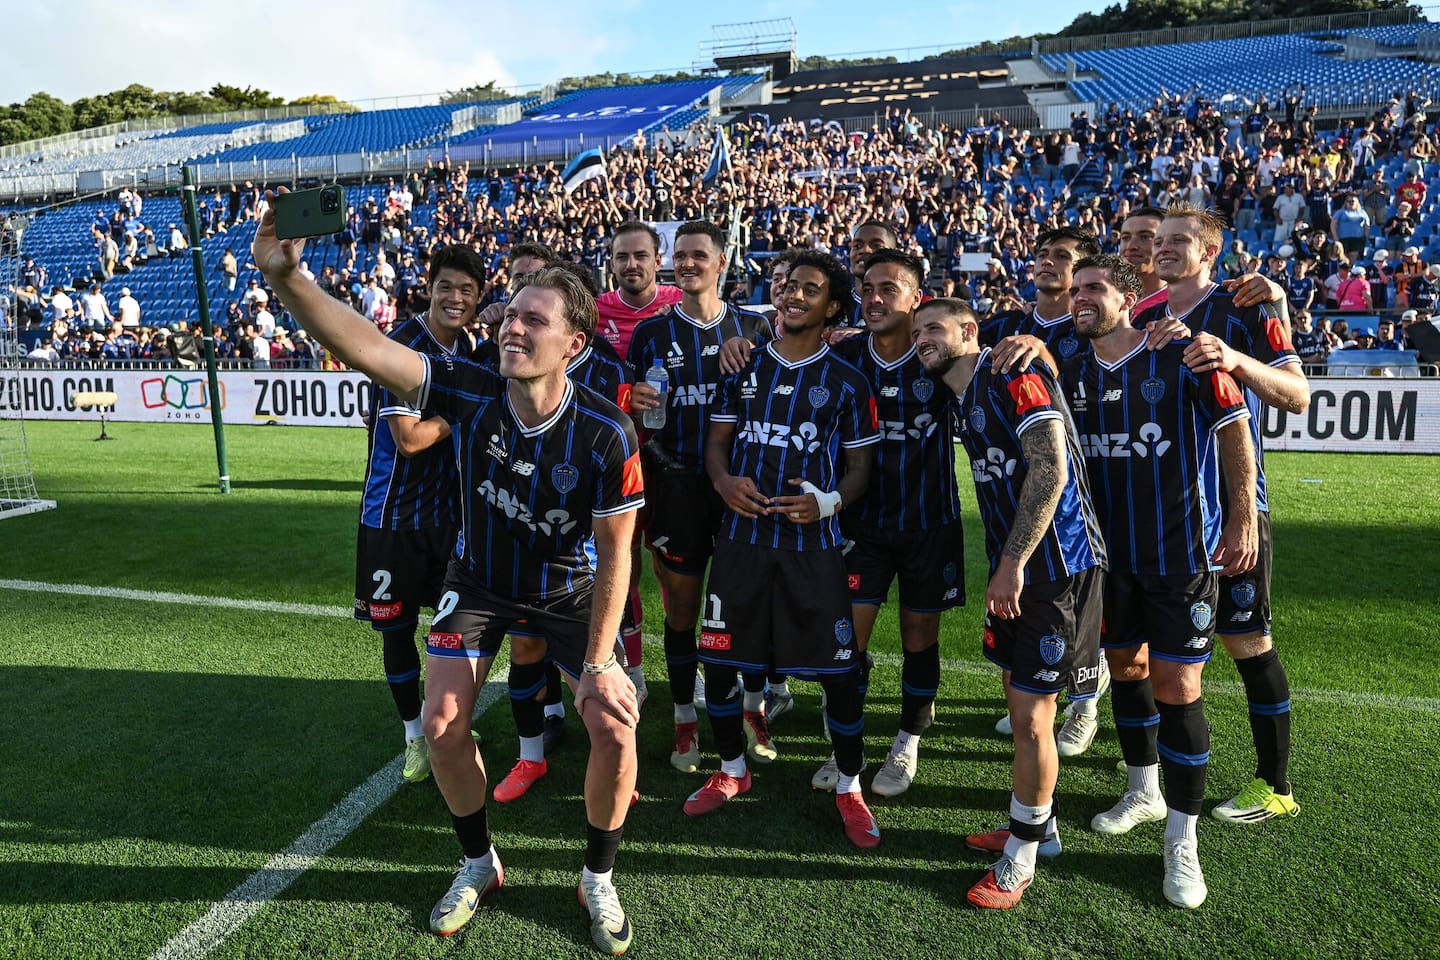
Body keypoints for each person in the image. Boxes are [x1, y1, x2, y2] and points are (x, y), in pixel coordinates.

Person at [253, 195, 644, 952]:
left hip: (568, 592)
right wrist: (287, 281)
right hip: (482, 584)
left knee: (615, 727)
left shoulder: (606, 431)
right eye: (511, 315)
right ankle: (479, 862)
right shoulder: (468, 389)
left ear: (574, 342)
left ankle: (597, 875)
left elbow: (618, 553)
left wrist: (598, 663)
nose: (512, 327)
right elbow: (370, 349)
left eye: (535, 319)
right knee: (438, 726)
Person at [1066, 253, 1258, 909]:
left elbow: (1236, 431)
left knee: (1178, 685)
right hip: (1107, 561)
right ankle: (1143, 790)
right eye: (1075, 291)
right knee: (1125, 671)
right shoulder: (1069, 371)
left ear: (1130, 298)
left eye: (1094, 288)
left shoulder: (1184, 357)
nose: (1080, 298)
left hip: (1181, 556)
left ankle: (1183, 840)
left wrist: (1241, 521)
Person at [684, 248, 882, 849]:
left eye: (810, 289)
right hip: (741, 543)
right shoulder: (740, 366)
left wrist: (827, 504)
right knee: (717, 663)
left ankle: (849, 783)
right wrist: (722, 482)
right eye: (788, 285)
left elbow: (860, 467)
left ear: (833, 307)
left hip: (813, 549)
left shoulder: (849, 380)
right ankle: (732, 771)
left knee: (841, 674)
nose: (794, 295)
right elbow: (716, 447)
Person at [912, 294, 1105, 908]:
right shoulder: (964, 397)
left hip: (1055, 566)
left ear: (970, 331)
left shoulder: (1013, 372)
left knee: (1032, 717)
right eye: (917, 331)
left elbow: (1051, 470)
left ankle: (1021, 857)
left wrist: (1014, 563)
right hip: (1020, 570)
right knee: (1020, 705)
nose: (922, 339)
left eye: (934, 329)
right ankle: (1035, 825)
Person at [1136, 205, 1310, 827]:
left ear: (1210, 252)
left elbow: (1296, 395)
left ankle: (1275, 784)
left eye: (1179, 240)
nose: (1164, 248)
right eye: (1159, 240)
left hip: (1233, 506)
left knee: (1246, 640)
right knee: (1158, 654)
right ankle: (1149, 775)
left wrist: (1236, 358)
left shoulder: (1246, 305)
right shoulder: (1141, 317)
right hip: (1161, 515)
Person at [626, 221, 772, 774]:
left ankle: (753, 709)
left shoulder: (756, 328)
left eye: (698, 256)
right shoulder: (651, 337)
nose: (687, 264)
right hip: (677, 485)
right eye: (679, 255)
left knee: (744, 606)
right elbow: (637, 411)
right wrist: (635, 401)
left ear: (722, 261)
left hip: (742, 487)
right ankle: (686, 718)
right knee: (683, 611)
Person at [350, 243, 484, 786]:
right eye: (446, 287)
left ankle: (447, 723)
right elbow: (407, 440)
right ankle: (414, 735)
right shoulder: (404, 344)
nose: (456, 298)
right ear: (428, 288)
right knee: (398, 630)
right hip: (394, 519)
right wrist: (463, 410)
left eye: (468, 291)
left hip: (449, 518)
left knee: (454, 628)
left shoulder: (471, 346)